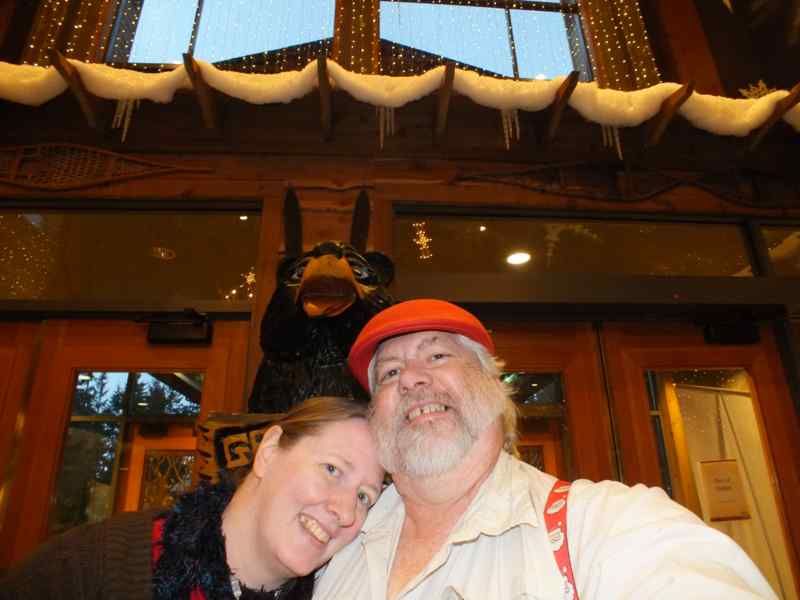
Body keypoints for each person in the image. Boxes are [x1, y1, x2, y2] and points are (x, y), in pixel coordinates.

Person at [312, 299, 779, 600]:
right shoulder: (333, 539)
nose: (412, 378)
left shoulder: (606, 526)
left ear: (493, 387)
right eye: (390, 373)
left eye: (437, 356)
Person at [1, 396, 384, 600]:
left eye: (365, 497)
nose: (346, 511)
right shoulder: (103, 564)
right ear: (269, 451)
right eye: (332, 469)